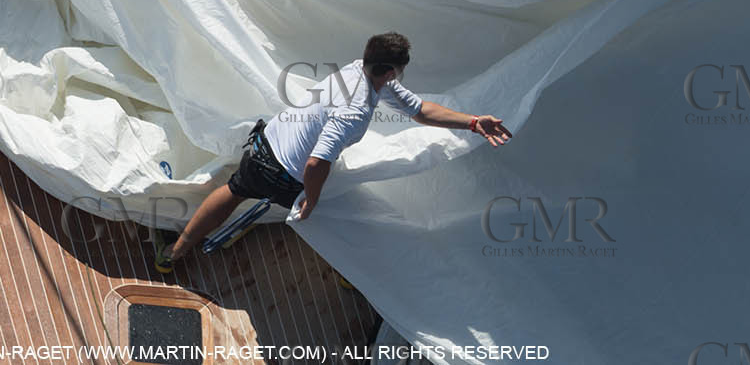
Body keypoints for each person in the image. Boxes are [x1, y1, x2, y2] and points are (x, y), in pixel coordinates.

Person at [154, 32, 511, 270]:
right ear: (390, 70)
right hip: (284, 175)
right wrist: (310, 199)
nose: (402, 75)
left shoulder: (359, 70)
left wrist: (472, 122)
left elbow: (419, 110)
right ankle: (351, 274)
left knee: (234, 190)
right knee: (341, 217)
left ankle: (175, 251)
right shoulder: (356, 110)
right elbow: (317, 161)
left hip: (264, 145)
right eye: (401, 70)